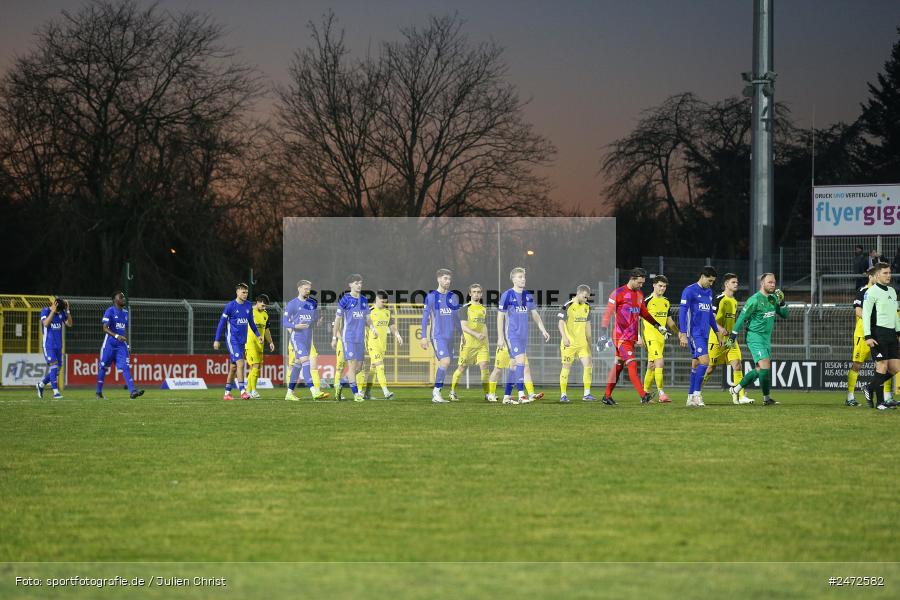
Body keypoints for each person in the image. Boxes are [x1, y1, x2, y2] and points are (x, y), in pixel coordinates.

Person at [601, 267, 667, 405]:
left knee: (619, 366)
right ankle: (644, 395)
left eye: (643, 283)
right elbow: (607, 314)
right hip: (621, 336)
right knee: (632, 363)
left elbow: (644, 313)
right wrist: (602, 333)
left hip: (631, 337)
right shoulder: (618, 293)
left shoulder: (639, 294)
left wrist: (657, 325)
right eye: (640, 282)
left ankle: (607, 396)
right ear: (632, 279)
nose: (641, 285)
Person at [726, 273, 789, 406]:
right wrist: (732, 336)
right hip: (754, 337)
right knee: (765, 366)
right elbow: (741, 318)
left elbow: (784, 315)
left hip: (766, 339)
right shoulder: (754, 300)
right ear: (762, 283)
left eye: (774, 282)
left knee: (760, 369)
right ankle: (765, 398)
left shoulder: (772, 299)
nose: (773, 285)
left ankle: (736, 389)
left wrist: (782, 302)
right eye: (770, 282)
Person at [497, 267, 551, 405]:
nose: (523, 279)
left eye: (524, 276)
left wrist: (543, 329)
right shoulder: (507, 295)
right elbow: (500, 317)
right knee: (521, 362)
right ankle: (521, 395)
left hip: (523, 336)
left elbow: (535, 314)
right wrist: (500, 337)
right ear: (513, 279)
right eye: (520, 277)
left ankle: (506, 397)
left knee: (514, 366)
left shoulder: (528, 295)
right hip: (512, 335)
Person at [703, 273, 754, 404]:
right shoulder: (718, 298)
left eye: (737, 282)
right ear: (726, 284)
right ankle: (696, 392)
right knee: (710, 368)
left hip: (731, 340)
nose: (736, 284)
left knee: (737, 365)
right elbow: (710, 317)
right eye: (733, 282)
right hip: (716, 339)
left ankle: (740, 395)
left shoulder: (734, 301)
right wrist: (720, 329)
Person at [679, 266, 725, 407]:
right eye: (710, 281)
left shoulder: (709, 292)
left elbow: (710, 315)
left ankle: (690, 398)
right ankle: (698, 395)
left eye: (713, 281)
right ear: (703, 276)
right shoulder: (690, 291)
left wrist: (717, 333)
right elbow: (682, 312)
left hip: (705, 333)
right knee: (705, 361)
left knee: (696, 364)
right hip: (694, 333)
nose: (711, 284)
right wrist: (683, 334)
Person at [846, 266, 891, 406]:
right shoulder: (863, 291)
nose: (877, 277)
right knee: (857, 365)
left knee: (884, 364)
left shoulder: (882, 292)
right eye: (874, 275)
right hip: (862, 334)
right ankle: (850, 397)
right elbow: (858, 312)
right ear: (870, 277)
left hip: (879, 334)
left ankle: (887, 397)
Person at [213, 283, 262, 400]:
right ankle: (243, 391)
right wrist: (217, 339)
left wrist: (258, 335)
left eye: (246, 292)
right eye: (243, 292)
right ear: (237, 292)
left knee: (234, 367)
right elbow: (221, 323)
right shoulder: (230, 306)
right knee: (241, 363)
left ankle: (227, 393)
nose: (245, 294)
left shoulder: (248, 306)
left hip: (242, 341)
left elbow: (251, 322)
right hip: (232, 340)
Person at [333, 274, 377, 402]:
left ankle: (340, 384)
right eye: (356, 283)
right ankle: (356, 394)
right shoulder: (345, 299)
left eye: (360, 283)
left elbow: (368, 318)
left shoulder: (363, 300)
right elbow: (337, 319)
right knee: (352, 366)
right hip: (349, 337)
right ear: (350, 285)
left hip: (360, 338)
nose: (359, 285)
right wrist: (335, 337)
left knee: (358, 368)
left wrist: (373, 328)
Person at [861, 263, 900, 410]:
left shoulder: (892, 291)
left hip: (891, 334)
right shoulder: (871, 292)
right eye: (885, 273)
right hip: (878, 334)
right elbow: (865, 315)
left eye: (889, 272)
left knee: (895, 368)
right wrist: (868, 336)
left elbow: (895, 314)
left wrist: (898, 332)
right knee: (882, 366)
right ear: (877, 275)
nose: (889, 275)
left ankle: (869, 387)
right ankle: (880, 403)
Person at [284, 281, 330, 401]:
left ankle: (289, 393)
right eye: (305, 289)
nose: (307, 291)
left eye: (309, 289)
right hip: (297, 337)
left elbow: (314, 320)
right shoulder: (292, 304)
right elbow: (285, 322)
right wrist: (295, 326)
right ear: (299, 289)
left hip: (308, 338)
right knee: (306, 362)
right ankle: (314, 391)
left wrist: (318, 322)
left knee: (297, 366)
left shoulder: (312, 303)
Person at [421, 269, 461, 403]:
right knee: (445, 361)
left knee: (446, 363)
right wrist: (423, 337)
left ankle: (438, 391)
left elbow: (456, 318)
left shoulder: (453, 297)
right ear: (438, 279)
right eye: (445, 278)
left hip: (450, 336)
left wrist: (462, 334)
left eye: (449, 279)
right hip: (438, 336)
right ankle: (436, 392)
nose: (447, 281)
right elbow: (425, 317)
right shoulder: (431, 296)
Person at [96, 291, 144, 399]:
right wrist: (117, 336)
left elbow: (124, 329)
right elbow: (104, 328)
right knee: (103, 367)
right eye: (121, 297)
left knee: (126, 367)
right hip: (109, 345)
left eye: (123, 297)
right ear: (114, 300)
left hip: (121, 345)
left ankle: (132, 391)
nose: (123, 298)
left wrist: (126, 343)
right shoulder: (110, 311)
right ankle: (98, 392)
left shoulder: (126, 313)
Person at [640, 275, 677, 403]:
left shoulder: (666, 302)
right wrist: (639, 336)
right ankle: (661, 393)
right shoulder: (647, 301)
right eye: (660, 286)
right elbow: (636, 319)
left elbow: (670, 321)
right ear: (654, 285)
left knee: (651, 366)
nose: (662, 288)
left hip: (661, 338)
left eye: (664, 286)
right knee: (659, 363)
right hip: (650, 337)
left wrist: (679, 333)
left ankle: (644, 395)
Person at [450, 284, 490, 402]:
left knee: (484, 366)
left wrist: (486, 342)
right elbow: (464, 327)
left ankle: (487, 394)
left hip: (481, 345)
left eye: (478, 292)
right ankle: (452, 392)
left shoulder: (483, 309)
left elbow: (484, 327)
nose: (476, 294)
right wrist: (477, 335)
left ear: (481, 294)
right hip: (468, 344)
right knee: (462, 367)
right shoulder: (465, 308)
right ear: (470, 294)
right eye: (474, 292)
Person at [362, 290, 402, 400]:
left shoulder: (387, 312)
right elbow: (362, 328)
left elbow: (392, 326)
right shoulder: (369, 312)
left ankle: (367, 393)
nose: (384, 303)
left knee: (373, 369)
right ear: (377, 299)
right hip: (372, 344)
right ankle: (386, 392)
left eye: (385, 302)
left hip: (382, 345)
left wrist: (398, 335)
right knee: (380, 366)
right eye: (382, 301)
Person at [558, 284, 594, 402]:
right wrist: (564, 337)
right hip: (569, 343)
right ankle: (563, 395)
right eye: (584, 297)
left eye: (587, 297)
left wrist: (590, 344)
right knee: (566, 367)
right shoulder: (567, 305)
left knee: (588, 365)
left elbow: (588, 327)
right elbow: (561, 323)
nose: (586, 299)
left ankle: (587, 394)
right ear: (578, 293)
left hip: (582, 344)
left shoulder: (587, 307)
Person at [36, 295, 73, 399]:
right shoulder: (45, 311)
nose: (58, 312)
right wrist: (53, 311)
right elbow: (46, 324)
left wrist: (68, 311)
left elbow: (69, 324)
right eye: (58, 309)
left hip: (58, 346)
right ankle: (56, 392)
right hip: (48, 345)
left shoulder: (61, 312)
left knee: (57, 369)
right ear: (54, 305)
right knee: (54, 366)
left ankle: (41, 385)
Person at [243, 294, 276, 399]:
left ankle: (248, 391)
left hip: (260, 345)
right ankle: (253, 391)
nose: (264, 306)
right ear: (257, 302)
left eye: (265, 305)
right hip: (250, 343)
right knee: (256, 365)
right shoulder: (249, 311)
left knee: (255, 368)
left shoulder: (265, 314)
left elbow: (266, 330)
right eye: (263, 304)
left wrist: (270, 342)